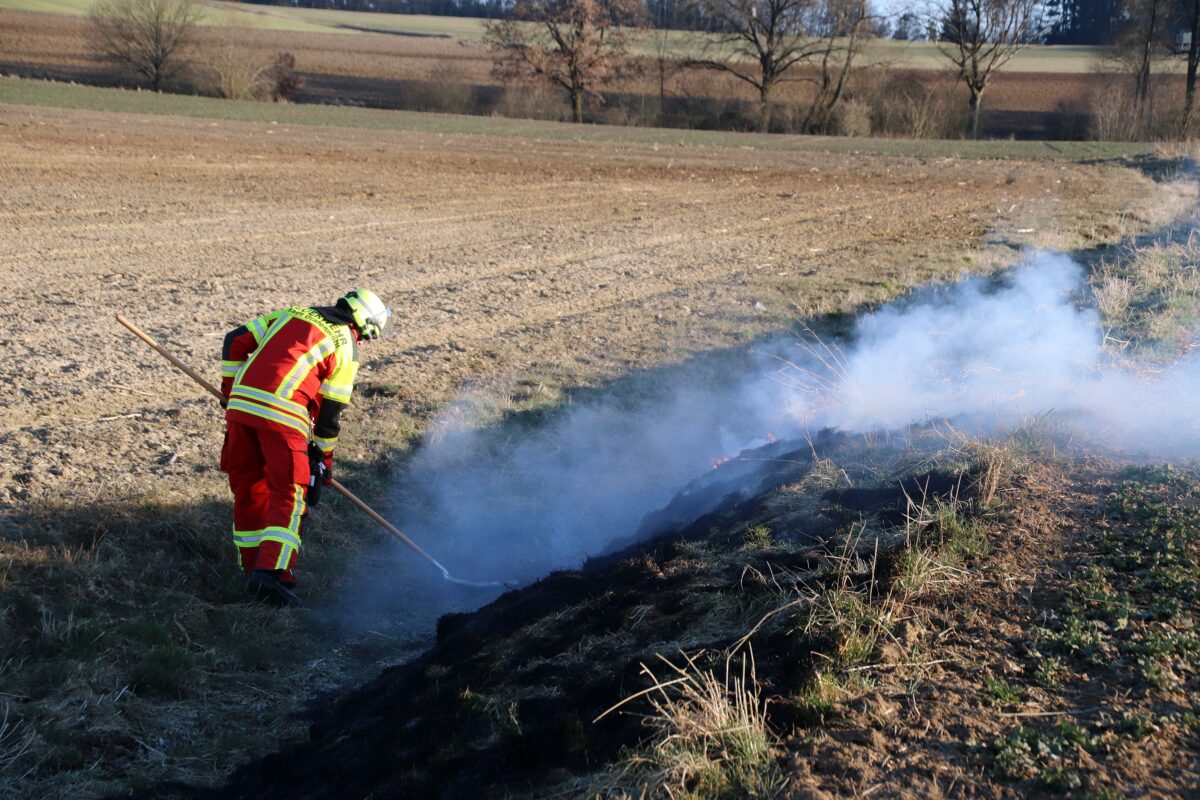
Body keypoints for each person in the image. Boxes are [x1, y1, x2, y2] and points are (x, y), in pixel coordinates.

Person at [218, 289, 391, 607]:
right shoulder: (344, 343)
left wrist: (229, 393)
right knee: (289, 493)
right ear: (363, 326)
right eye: (366, 336)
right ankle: (272, 574)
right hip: (282, 415)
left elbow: (235, 340)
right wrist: (323, 458)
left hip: (241, 410)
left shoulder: (294, 313)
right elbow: (330, 412)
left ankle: (252, 568)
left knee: (249, 489)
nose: (363, 342)